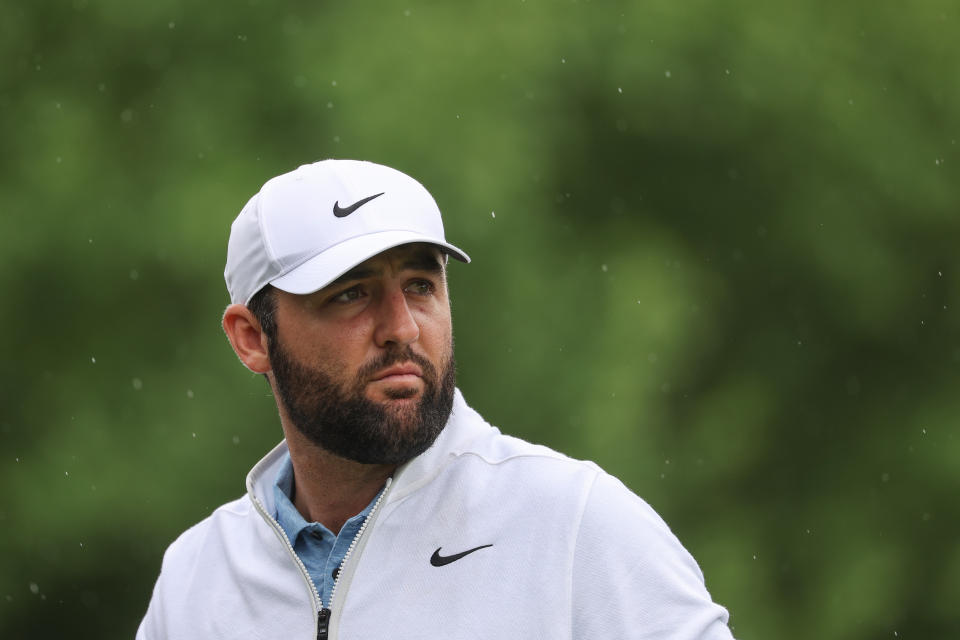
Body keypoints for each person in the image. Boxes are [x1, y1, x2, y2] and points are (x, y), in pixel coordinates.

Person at [136, 159, 735, 639]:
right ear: (252, 338)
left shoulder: (576, 524)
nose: (402, 326)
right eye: (350, 294)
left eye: (420, 285)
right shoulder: (196, 578)